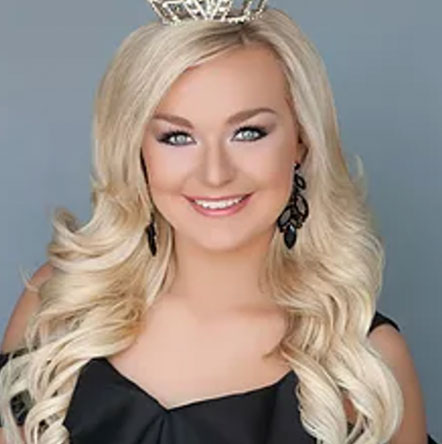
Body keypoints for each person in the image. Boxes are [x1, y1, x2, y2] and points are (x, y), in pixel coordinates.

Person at [0, 1, 431, 443]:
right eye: (177, 137)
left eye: (248, 133)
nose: (215, 174)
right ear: (137, 151)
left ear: (301, 140)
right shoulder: (59, 309)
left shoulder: (365, 365)